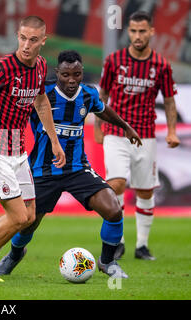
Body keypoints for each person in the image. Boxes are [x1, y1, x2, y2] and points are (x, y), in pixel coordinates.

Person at [0, 50, 142, 279]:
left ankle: (108, 262)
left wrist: (125, 126)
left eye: (76, 74)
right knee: (27, 223)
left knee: (114, 210)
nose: (71, 80)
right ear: (57, 72)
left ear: (81, 73)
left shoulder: (88, 94)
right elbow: (12, 107)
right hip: (41, 170)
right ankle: (15, 255)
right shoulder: (42, 92)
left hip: (77, 169)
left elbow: (102, 109)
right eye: (66, 74)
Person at [0, 16, 66, 282]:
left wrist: (54, 140)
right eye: (22, 38)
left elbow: (41, 102)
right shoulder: (2, 68)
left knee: (29, 216)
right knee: (18, 216)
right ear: (17, 36)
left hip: (18, 150)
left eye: (32, 40)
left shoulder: (40, 65)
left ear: (43, 40)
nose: (26, 45)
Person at [94, 11, 180, 260]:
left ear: (151, 32)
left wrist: (172, 131)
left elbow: (170, 101)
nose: (137, 35)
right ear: (128, 31)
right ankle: (117, 242)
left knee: (144, 192)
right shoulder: (114, 60)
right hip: (116, 133)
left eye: (143, 31)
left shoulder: (161, 65)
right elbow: (102, 97)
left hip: (146, 135)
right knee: (117, 183)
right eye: (133, 30)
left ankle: (141, 246)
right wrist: (99, 128)